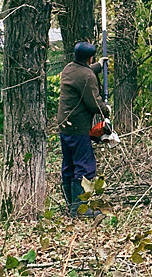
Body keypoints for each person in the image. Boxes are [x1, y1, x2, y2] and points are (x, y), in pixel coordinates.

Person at [57, 41, 110, 217]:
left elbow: (84, 72)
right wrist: (105, 109)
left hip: (65, 126)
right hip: (79, 127)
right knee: (84, 165)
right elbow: (93, 102)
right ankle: (79, 209)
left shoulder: (69, 69)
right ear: (90, 57)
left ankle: (71, 205)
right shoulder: (87, 77)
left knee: (69, 164)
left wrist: (99, 66)